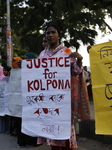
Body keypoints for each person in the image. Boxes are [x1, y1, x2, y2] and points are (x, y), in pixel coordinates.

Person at [37, 24, 91, 150]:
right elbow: (36, 73)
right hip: (47, 99)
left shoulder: (66, 52)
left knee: (64, 129)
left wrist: (78, 61)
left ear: (58, 35)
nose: (50, 35)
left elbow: (76, 72)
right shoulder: (42, 54)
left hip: (63, 99)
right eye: (48, 33)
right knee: (51, 130)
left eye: (53, 32)